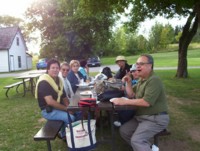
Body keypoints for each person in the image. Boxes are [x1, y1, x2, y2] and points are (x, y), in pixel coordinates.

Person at [111, 54, 169, 151]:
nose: (137, 66)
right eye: (137, 63)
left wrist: (124, 102)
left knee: (137, 140)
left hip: (155, 118)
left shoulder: (154, 80)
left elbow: (146, 102)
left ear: (150, 65)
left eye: (141, 64)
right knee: (124, 131)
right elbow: (131, 95)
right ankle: (148, 148)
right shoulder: (142, 80)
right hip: (142, 117)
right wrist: (128, 82)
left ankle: (143, 147)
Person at [35, 59, 75, 140]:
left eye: (57, 68)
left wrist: (69, 107)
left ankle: (70, 132)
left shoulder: (58, 80)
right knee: (70, 117)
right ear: (48, 69)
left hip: (57, 108)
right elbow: (50, 102)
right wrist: (67, 109)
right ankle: (65, 135)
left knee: (76, 112)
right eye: (53, 68)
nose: (55, 70)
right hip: (48, 111)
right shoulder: (44, 82)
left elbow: (64, 97)